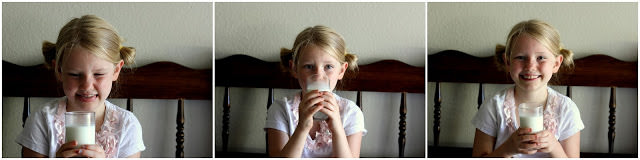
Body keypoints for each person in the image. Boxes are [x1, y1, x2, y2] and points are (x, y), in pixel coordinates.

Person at [15, 15, 145, 158]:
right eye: (75, 75)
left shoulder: (126, 125)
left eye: (99, 74)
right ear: (59, 71)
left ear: (116, 71)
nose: (87, 86)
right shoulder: (43, 120)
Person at [471, 19, 584, 158]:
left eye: (541, 57)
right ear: (507, 62)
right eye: (520, 57)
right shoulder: (495, 107)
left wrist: (554, 146)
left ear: (556, 63)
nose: (530, 66)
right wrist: (508, 149)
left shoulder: (566, 109)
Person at [265, 25, 367, 157]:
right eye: (309, 66)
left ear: (341, 70)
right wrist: (302, 127)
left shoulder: (351, 112)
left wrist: (337, 130)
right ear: (294, 68)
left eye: (328, 66)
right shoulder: (281, 109)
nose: (319, 76)